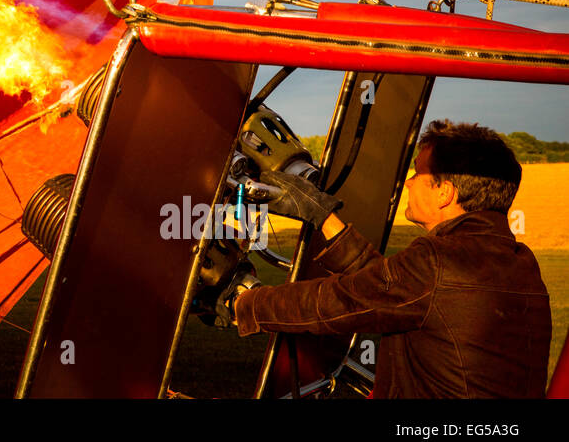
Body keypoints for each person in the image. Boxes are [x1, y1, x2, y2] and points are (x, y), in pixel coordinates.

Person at [221, 119, 552, 398]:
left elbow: (340, 302)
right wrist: (320, 215)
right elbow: (389, 288)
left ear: (444, 192)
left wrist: (245, 304)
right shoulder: (517, 261)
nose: (408, 182)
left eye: (418, 173)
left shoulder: (438, 261)